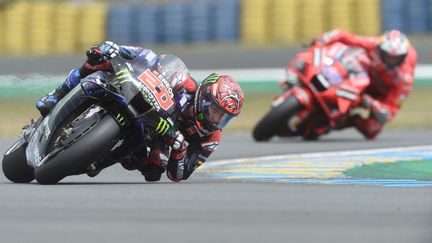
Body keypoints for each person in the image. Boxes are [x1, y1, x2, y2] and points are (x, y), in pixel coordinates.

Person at [36, 41, 245, 182]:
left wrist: (180, 151)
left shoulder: (211, 138)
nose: (217, 119)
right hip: (138, 98)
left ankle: (101, 153)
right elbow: (149, 58)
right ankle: (56, 94)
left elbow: (179, 175)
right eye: (216, 111)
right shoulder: (184, 84)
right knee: (99, 61)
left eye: (224, 117)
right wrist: (117, 49)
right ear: (204, 97)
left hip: (157, 137)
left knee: (154, 168)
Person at [309, 29, 417, 139]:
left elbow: (391, 109)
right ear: (380, 50)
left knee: (372, 129)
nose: (391, 61)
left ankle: (348, 120)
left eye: (395, 59)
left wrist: (375, 105)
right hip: (360, 76)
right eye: (388, 56)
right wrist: (323, 39)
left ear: (403, 57)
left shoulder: (404, 78)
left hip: (377, 94)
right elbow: (345, 36)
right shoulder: (374, 44)